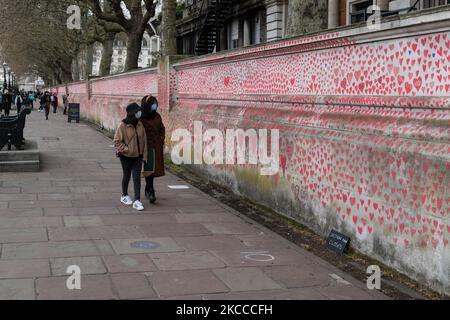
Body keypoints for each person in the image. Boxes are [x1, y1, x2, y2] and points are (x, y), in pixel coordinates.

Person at [113, 103, 148, 212]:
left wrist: (145, 155)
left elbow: (144, 141)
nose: (139, 113)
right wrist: (127, 150)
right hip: (126, 157)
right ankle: (124, 195)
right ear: (133, 113)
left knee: (137, 177)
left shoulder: (140, 124)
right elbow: (117, 142)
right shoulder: (123, 125)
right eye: (138, 111)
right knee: (127, 176)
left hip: (138, 156)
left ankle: (137, 200)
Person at [140, 95, 166, 204]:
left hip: (157, 146)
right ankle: (150, 191)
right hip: (147, 147)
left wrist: (161, 138)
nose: (155, 106)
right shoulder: (141, 117)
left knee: (155, 170)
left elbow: (162, 129)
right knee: (149, 169)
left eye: (156, 104)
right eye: (152, 104)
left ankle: (148, 188)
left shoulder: (157, 116)